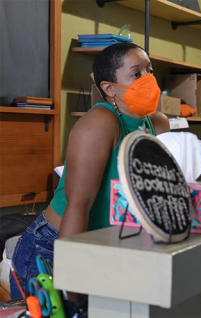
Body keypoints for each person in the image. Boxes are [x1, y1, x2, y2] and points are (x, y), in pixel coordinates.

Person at [8, 42, 170, 299]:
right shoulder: (100, 123)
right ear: (109, 88)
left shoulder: (158, 124)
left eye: (150, 71)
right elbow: (79, 205)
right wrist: (74, 284)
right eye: (136, 73)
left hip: (110, 242)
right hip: (58, 247)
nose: (148, 79)